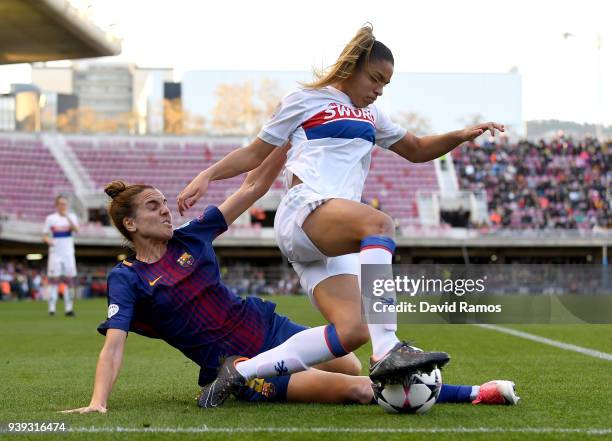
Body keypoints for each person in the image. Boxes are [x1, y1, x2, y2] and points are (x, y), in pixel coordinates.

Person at [178, 24, 504, 402]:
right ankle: (388, 348)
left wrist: (460, 135)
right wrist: (207, 175)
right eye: (376, 78)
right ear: (354, 66)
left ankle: (240, 371)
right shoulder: (305, 99)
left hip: (333, 239)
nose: (379, 90)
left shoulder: (374, 116)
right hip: (305, 211)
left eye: (386, 84)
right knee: (379, 223)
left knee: (352, 331)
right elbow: (254, 154)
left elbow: (415, 148)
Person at [61, 147, 519, 414]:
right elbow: (114, 343)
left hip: (268, 327)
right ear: (131, 226)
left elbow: (251, 189)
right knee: (361, 390)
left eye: (164, 202)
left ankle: (269, 368)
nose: (165, 209)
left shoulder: (193, 235)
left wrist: (285, 140)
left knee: (356, 364)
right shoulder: (127, 277)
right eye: (153, 207)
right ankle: (478, 393)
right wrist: (99, 401)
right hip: (233, 357)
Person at [43, 195, 79, 316]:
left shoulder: (72, 217)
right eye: (61, 204)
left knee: (69, 280)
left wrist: (67, 217)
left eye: (65, 204)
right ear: (57, 205)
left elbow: (76, 230)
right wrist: (48, 241)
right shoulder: (50, 218)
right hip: (55, 254)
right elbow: (44, 235)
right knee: (54, 280)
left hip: (68, 253)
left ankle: (68, 309)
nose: (63, 206)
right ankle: (52, 309)